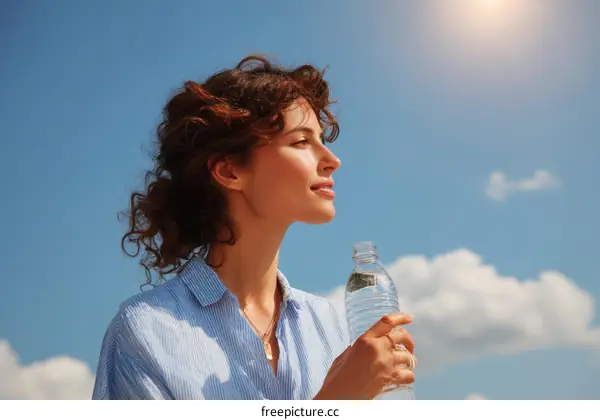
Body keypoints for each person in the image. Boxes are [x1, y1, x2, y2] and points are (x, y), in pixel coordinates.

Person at [91, 55, 417, 400]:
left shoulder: (331, 326)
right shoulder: (147, 332)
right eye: (301, 142)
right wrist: (338, 400)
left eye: (322, 140)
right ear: (230, 171)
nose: (332, 160)